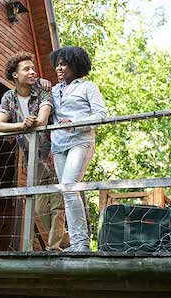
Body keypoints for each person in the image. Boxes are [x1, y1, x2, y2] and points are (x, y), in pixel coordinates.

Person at [0, 51, 68, 250]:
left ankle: (54, 247)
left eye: (33, 68)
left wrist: (33, 122)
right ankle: (63, 238)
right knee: (39, 207)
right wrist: (21, 126)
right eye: (27, 69)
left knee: (57, 205)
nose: (32, 72)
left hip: (53, 153)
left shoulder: (43, 90)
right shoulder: (8, 97)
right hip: (31, 157)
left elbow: (43, 119)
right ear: (15, 75)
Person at [49, 46, 107, 252]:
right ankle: (77, 242)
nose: (59, 68)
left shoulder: (88, 87)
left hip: (80, 141)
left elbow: (102, 115)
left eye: (64, 64)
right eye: (57, 64)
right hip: (58, 145)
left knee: (70, 187)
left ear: (76, 65)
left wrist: (75, 121)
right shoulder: (53, 91)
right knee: (66, 192)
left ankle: (81, 244)